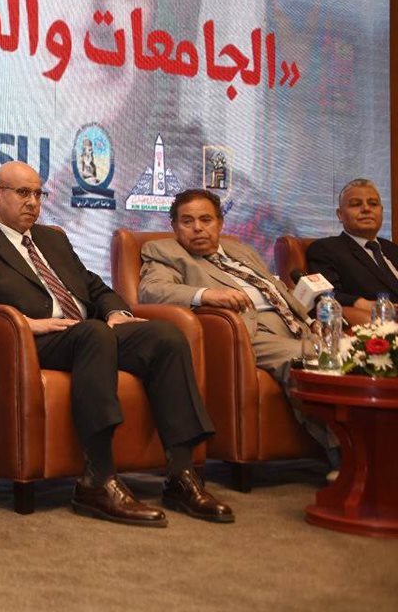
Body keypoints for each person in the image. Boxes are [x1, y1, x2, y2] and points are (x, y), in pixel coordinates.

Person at [0, 161, 232, 526]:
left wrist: (115, 312)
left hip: (86, 334)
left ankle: (181, 475)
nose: (32, 202)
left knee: (165, 337)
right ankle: (98, 480)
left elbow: (93, 286)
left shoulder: (52, 239)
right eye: (23, 193)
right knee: (93, 334)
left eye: (38, 194)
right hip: (30, 341)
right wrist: (23, 322)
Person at [138, 188, 338, 461]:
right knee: (309, 359)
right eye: (187, 221)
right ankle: (343, 454)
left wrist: (310, 321)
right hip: (245, 334)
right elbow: (152, 290)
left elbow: (275, 289)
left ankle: (374, 446)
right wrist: (206, 295)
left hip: (292, 326)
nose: (197, 228)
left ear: (220, 223)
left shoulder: (240, 249)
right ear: (174, 226)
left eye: (206, 220)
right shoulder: (164, 251)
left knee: (356, 355)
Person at [306, 178, 398, 313]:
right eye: (355, 204)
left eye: (373, 204)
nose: (366, 209)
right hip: (377, 320)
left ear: (381, 211)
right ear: (340, 214)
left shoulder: (393, 249)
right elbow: (325, 294)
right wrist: (362, 304)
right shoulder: (325, 249)